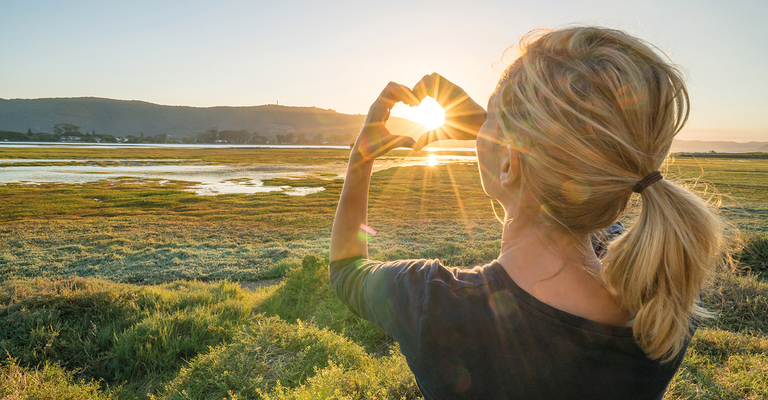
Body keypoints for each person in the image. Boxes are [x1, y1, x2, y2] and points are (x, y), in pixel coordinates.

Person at [329, 26, 722, 399]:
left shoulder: (432, 305)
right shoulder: (665, 293)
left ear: (507, 165)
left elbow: (346, 270)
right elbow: (575, 170)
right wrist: (501, 134)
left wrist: (360, 160)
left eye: (492, 118)